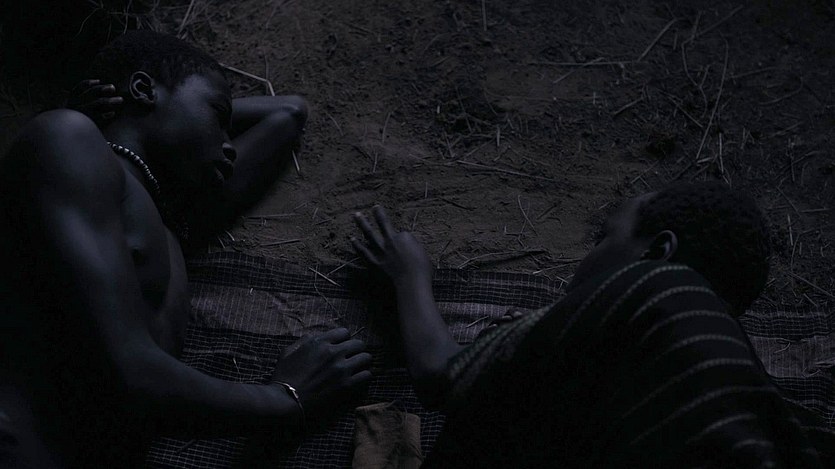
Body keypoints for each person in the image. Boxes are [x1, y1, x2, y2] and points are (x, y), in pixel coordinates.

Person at [0, 30, 371, 467]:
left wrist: (193, 119)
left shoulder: (168, 230)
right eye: (218, 114)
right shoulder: (68, 136)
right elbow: (129, 373)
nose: (229, 143)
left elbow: (288, 112)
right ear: (143, 89)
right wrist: (286, 398)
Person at [351, 182, 833, 467]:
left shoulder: (660, 288)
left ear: (657, 253)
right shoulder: (742, 379)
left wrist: (409, 275)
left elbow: (440, 374)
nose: (587, 259)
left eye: (604, 238)